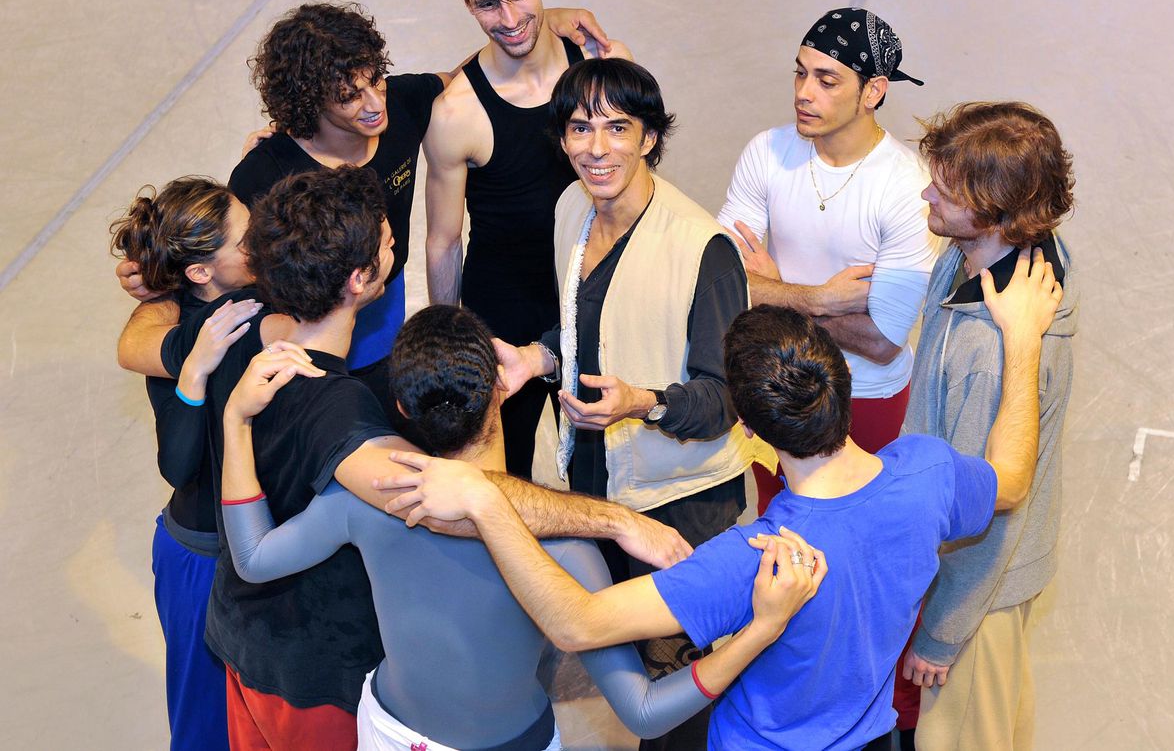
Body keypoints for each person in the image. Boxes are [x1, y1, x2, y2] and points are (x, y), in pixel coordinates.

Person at [384, 247, 1063, 750]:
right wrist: (1024, 338)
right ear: (839, 382)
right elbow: (1012, 479)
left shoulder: (756, 558)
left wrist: (484, 498)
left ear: (748, 429)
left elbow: (577, 625)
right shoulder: (927, 472)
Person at [116, 165, 696, 751]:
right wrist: (616, 521)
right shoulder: (341, 415)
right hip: (312, 678)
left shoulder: (233, 322)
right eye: (389, 243)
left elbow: (252, 553)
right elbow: (453, 499)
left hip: (241, 647)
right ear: (359, 279)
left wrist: (228, 409)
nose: (397, 245)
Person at [217, 304, 818, 751]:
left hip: (389, 733)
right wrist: (761, 629)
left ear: (401, 407)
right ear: (501, 386)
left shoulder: (366, 500)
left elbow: (252, 558)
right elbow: (644, 711)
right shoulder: (567, 550)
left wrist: (235, 421)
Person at [461, 58, 768, 749]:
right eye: (579, 128)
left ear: (650, 138)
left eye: (617, 128)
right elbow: (588, 324)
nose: (595, 148)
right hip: (595, 482)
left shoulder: (703, 248)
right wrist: (538, 357)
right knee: (618, 666)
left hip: (679, 500)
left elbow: (724, 398)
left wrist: (642, 402)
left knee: (677, 693)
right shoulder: (571, 209)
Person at [114, 0, 609, 419]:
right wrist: (159, 279)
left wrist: (538, 26)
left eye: (376, 80)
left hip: (382, 315)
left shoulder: (404, 105)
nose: (374, 104)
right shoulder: (264, 175)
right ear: (309, 103)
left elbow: (469, 82)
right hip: (310, 331)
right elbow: (216, 255)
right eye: (349, 97)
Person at [424, 0, 632, 480]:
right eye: (489, 4)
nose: (511, 19)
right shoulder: (456, 113)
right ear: (468, 3)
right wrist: (451, 338)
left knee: (604, 474)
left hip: (591, 297)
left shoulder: (597, 67)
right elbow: (443, 242)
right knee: (499, 480)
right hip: (501, 315)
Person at [899, 102, 1077, 751]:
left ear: (996, 213)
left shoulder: (989, 350)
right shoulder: (985, 256)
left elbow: (987, 507)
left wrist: (943, 630)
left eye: (945, 192)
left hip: (978, 592)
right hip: (987, 582)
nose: (927, 195)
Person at [717, 6, 937, 508]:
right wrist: (817, 299)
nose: (804, 92)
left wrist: (773, 297)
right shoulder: (767, 152)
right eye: (800, 73)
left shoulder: (906, 187)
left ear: (873, 91)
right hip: (773, 383)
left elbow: (881, 341)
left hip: (867, 397)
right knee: (779, 529)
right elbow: (719, 280)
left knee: (860, 534)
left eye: (827, 80)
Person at [109, 177, 261, 751]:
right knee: (206, 725)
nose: (261, 240)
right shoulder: (180, 341)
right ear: (200, 271)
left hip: (265, 548)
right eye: (244, 239)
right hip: (201, 557)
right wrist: (194, 373)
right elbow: (177, 465)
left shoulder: (268, 295)